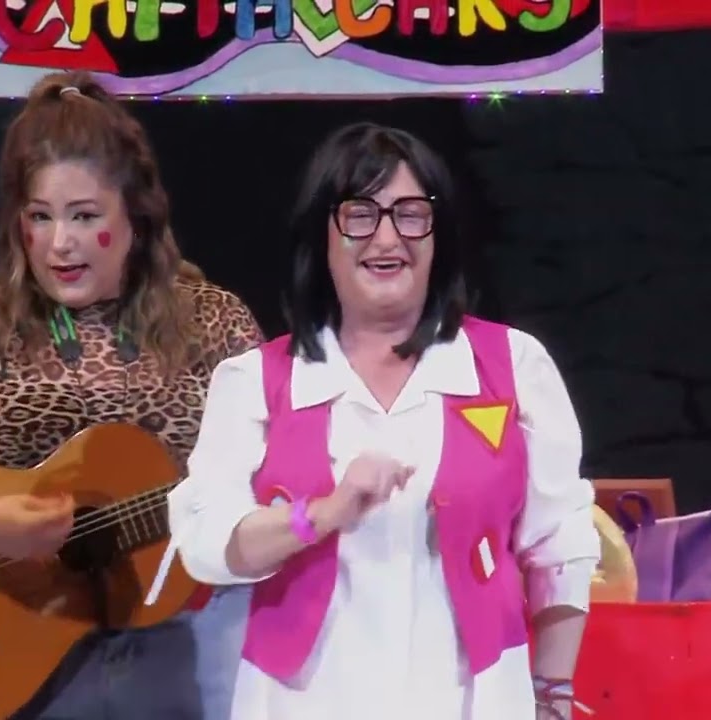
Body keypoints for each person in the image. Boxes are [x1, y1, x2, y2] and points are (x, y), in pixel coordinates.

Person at [165, 122, 601, 720]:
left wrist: (551, 694)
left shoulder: (514, 366)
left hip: (473, 702)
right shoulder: (254, 382)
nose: (388, 236)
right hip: (301, 704)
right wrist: (322, 514)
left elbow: (560, 545)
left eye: (410, 214)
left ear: (438, 235)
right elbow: (210, 546)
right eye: (360, 214)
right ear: (322, 235)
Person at [0, 71, 264, 719]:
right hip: (10, 655)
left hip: (179, 650)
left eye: (85, 216)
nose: (60, 243)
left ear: (137, 217)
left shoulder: (214, 324)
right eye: (40, 217)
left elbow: (273, 462)